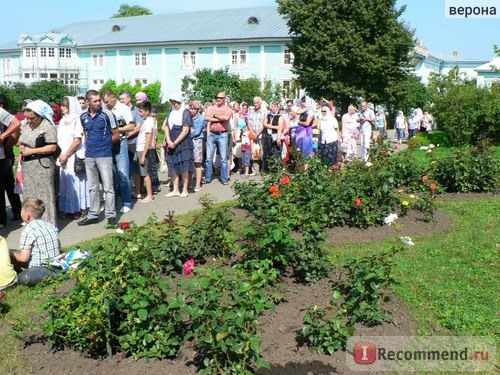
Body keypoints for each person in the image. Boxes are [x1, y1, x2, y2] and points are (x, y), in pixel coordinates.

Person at [78, 90, 119, 226]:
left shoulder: (107, 114)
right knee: (93, 187)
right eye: (95, 101)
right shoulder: (83, 116)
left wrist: (104, 145)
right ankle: (93, 214)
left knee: (108, 186)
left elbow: (116, 135)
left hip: (104, 155)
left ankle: (111, 214)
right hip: (89, 155)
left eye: (99, 100)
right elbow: (86, 133)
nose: (98, 103)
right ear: (88, 101)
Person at [19, 100, 58, 227]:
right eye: (27, 118)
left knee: (44, 196)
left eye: (32, 118)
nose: (29, 121)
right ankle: (32, 224)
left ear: (40, 115)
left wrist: (32, 151)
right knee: (30, 196)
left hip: (43, 166)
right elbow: (20, 141)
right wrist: (22, 147)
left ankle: (48, 225)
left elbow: (52, 147)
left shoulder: (47, 127)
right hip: (28, 167)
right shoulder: (26, 126)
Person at [9, 197, 60, 286]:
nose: (20, 213)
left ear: (27, 215)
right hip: (55, 264)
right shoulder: (50, 225)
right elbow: (58, 245)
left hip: (38, 269)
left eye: (21, 211)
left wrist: (9, 253)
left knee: (10, 255)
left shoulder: (28, 231)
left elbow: (23, 258)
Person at [102, 89, 135, 214]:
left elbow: (131, 126)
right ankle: (112, 203)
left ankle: (127, 202)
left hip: (121, 142)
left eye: (107, 101)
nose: (106, 104)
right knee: (111, 176)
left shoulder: (123, 109)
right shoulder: (105, 110)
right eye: (104, 102)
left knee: (123, 174)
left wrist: (117, 130)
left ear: (113, 98)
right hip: (108, 144)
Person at [57, 96, 89, 219]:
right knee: (66, 182)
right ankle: (68, 208)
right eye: (62, 106)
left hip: (73, 156)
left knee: (77, 182)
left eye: (65, 106)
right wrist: (60, 154)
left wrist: (66, 154)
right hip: (62, 156)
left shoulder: (78, 120)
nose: (62, 108)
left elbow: (77, 140)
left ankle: (79, 208)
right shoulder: (62, 120)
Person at [163, 92, 194, 197]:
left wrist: (175, 142)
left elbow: (185, 130)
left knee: (184, 165)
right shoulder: (171, 111)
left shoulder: (185, 112)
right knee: (172, 164)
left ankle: (185, 189)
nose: (174, 104)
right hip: (171, 138)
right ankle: (175, 189)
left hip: (182, 141)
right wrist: (168, 140)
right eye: (172, 102)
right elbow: (166, 126)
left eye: (176, 102)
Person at [0, 93, 22, 228]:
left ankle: (9, 215)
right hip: (5, 155)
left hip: (4, 156)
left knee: (7, 185)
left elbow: (15, 131)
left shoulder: (2, 114)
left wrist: (3, 139)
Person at [203, 91, 233, 185]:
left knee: (223, 158)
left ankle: (224, 178)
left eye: (221, 98)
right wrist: (219, 118)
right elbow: (206, 117)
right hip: (212, 134)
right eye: (217, 97)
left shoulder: (228, 109)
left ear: (224, 99)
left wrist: (215, 115)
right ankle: (207, 177)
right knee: (208, 158)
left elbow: (226, 118)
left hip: (222, 135)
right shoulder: (211, 107)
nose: (218, 99)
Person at [132, 101, 155, 203]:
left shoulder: (149, 122)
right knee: (137, 172)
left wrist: (143, 156)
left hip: (143, 150)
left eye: (141, 111)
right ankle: (138, 192)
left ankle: (150, 195)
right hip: (138, 149)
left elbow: (148, 139)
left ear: (147, 111)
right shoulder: (145, 121)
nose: (139, 113)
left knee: (145, 173)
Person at [262, 101, 284, 173]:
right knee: (267, 153)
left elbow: (280, 128)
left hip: (275, 137)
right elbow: (264, 124)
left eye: (275, 107)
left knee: (276, 153)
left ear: (278, 107)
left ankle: (276, 171)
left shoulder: (280, 116)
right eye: (272, 107)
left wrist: (278, 138)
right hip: (268, 137)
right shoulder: (268, 115)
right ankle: (267, 171)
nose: (273, 108)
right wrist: (274, 126)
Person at [189, 101, 206, 192]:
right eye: (190, 108)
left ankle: (198, 185)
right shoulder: (188, 117)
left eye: (193, 109)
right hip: (189, 141)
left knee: (197, 163)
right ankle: (190, 183)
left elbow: (197, 132)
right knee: (190, 163)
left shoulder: (201, 119)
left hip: (197, 141)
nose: (191, 110)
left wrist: (187, 133)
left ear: (198, 109)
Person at [247, 96, 266, 175]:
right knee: (254, 152)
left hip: (261, 134)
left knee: (262, 152)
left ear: (260, 103)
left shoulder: (264, 112)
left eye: (257, 102)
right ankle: (255, 170)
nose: (255, 104)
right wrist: (253, 133)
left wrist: (257, 133)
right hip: (253, 134)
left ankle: (263, 170)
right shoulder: (251, 112)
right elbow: (249, 124)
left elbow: (264, 124)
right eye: (254, 102)